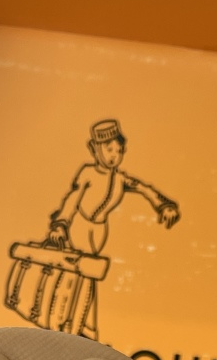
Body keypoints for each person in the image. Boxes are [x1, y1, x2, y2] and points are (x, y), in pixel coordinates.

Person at [45, 118, 180, 340]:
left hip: (98, 231)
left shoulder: (119, 179)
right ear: (94, 149)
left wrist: (163, 205)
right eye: (108, 149)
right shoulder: (88, 173)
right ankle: (59, 324)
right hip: (80, 226)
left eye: (118, 150)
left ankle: (81, 329)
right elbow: (72, 200)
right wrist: (61, 225)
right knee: (72, 274)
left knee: (89, 277)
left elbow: (144, 189)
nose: (113, 156)